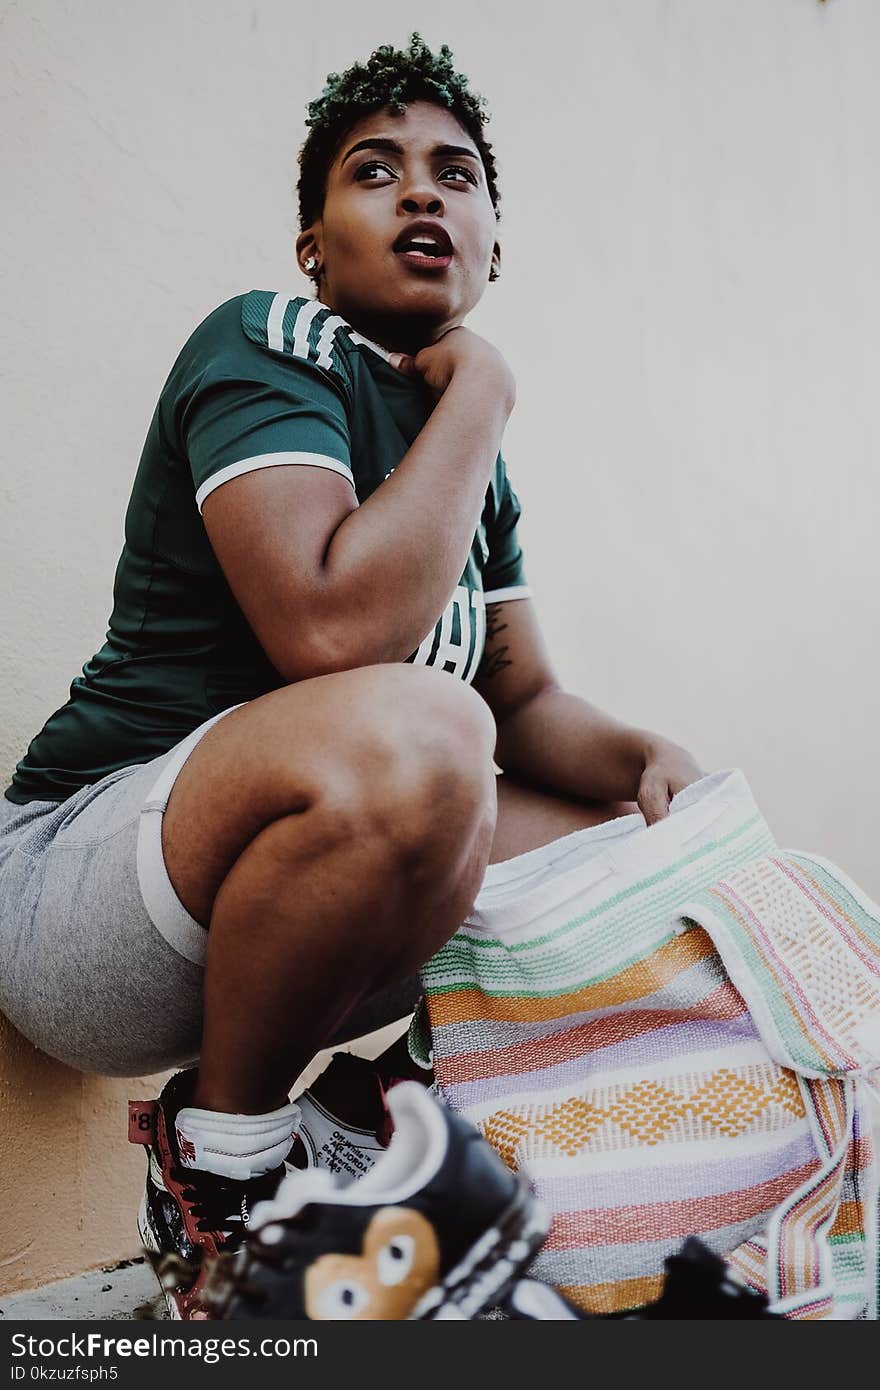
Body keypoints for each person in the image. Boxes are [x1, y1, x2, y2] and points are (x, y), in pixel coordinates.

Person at [0, 35, 702, 1317]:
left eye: (456, 174)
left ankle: (348, 1115)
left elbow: (524, 705)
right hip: (77, 899)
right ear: (315, 248)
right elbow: (333, 639)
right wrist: (485, 388)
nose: (422, 193)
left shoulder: (465, 473)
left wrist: (655, 772)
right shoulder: (271, 340)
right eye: (375, 172)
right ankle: (218, 1168)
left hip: (271, 915)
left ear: (494, 241)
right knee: (421, 730)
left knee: (622, 843)